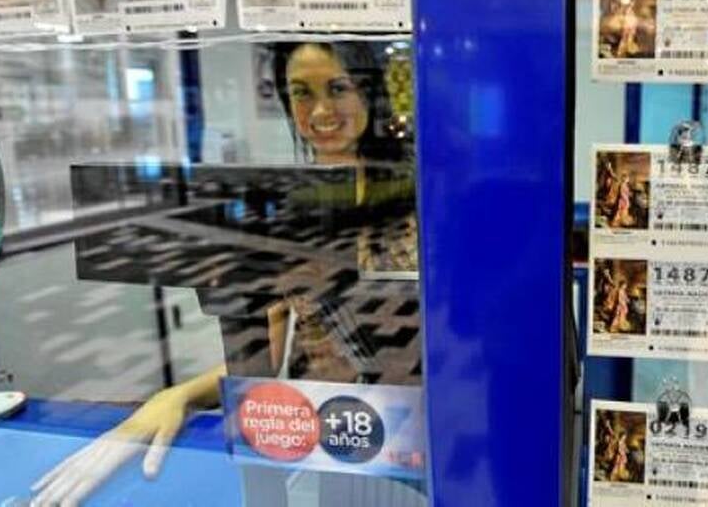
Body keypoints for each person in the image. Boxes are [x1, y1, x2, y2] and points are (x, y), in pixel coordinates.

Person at [31, 41, 419, 507]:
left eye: (338, 88)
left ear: (369, 91)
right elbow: (261, 345)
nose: (320, 111)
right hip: (331, 435)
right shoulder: (285, 206)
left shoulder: (420, 192)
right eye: (301, 92)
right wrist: (179, 396)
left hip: (421, 432)